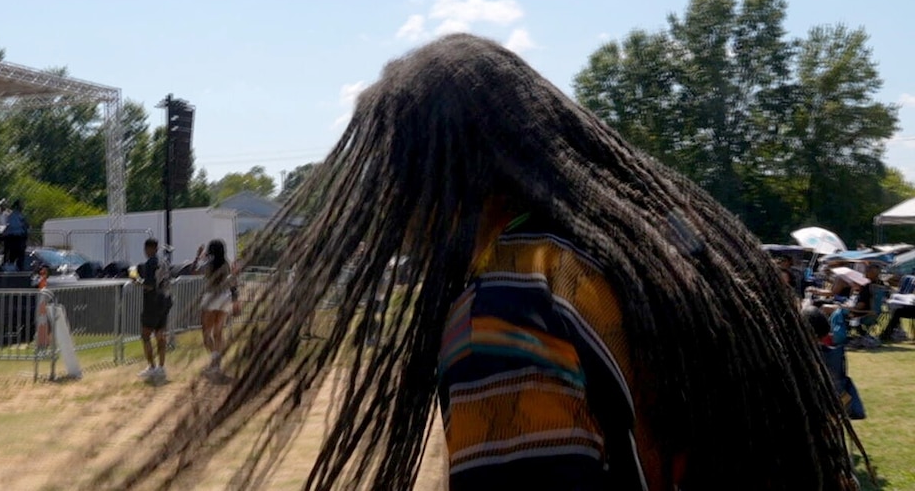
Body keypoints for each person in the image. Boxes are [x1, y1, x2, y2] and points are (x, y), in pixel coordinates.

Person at [96, 34, 868, 490]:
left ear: (436, 175)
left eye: (392, 176)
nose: (391, 206)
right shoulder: (668, 258)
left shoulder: (512, 307)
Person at [193, 239, 237, 378]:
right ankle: (217, 365)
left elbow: (194, 271)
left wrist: (198, 256)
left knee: (206, 333)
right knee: (218, 333)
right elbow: (232, 281)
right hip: (224, 297)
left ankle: (214, 360)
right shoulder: (226, 263)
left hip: (211, 297)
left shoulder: (208, 263)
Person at [137, 238, 172, 383]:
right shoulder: (164, 262)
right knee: (160, 335)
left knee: (146, 335)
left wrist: (137, 281)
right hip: (165, 300)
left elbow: (150, 285)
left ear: (149, 249)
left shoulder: (150, 264)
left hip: (152, 302)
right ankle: (161, 367)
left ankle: (152, 366)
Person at [2, 200, 29, 270]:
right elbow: (25, 227)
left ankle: (11, 267)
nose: (22, 207)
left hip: (11, 238)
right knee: (19, 257)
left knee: (12, 256)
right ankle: (18, 269)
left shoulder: (10, 216)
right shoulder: (19, 216)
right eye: (21, 205)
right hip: (17, 239)